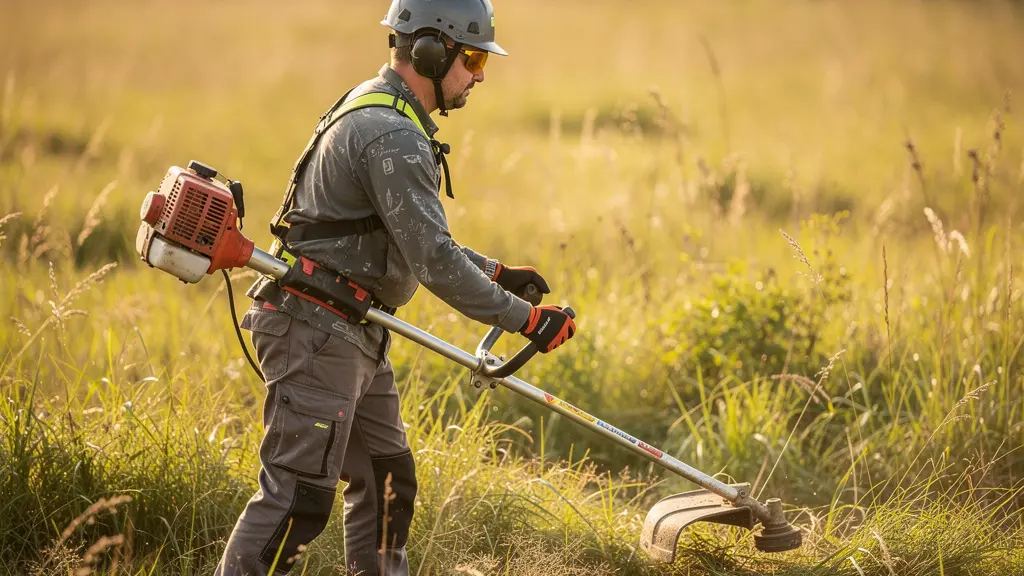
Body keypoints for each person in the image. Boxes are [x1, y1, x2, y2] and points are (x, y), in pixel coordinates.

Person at [215, 1, 577, 574]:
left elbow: (405, 235)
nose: (480, 74)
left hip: (351, 327)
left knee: (387, 480)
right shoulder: (392, 135)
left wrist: (495, 273)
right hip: (317, 334)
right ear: (432, 51)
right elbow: (432, 260)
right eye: (474, 57)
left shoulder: (379, 108)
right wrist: (527, 320)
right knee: (296, 499)